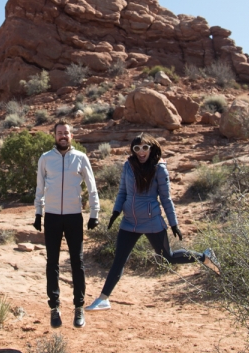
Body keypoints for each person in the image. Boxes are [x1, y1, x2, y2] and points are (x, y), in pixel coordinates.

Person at [86, 133, 219, 311]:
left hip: (151, 221)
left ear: (151, 148)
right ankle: (103, 298)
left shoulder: (159, 169)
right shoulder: (128, 166)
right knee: (119, 260)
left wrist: (174, 224)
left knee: (168, 256)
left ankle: (205, 257)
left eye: (145, 148)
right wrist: (115, 212)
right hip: (129, 222)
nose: (141, 152)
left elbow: (166, 199)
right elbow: (122, 192)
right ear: (133, 150)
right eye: (137, 148)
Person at [34, 122, 100, 329]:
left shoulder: (81, 158)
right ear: (54, 135)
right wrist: (38, 212)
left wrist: (94, 213)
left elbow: (92, 186)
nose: (63, 136)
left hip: (74, 217)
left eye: (66, 133)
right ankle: (54, 308)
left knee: (77, 263)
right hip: (52, 217)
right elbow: (39, 187)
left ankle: (79, 307)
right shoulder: (45, 159)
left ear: (71, 135)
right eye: (59, 133)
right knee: (52, 263)